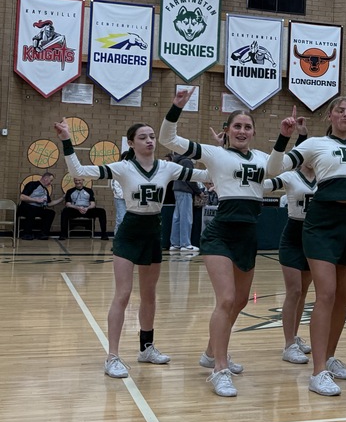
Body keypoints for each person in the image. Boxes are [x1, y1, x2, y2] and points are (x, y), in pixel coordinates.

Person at [56, 119, 208, 379]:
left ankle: (146, 348)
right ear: (131, 143)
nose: (150, 140)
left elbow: (206, 176)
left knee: (149, 296)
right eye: (143, 137)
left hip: (153, 232)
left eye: (152, 136)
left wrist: (220, 154)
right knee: (123, 294)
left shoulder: (168, 167)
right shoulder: (123, 168)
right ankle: (112, 356)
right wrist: (67, 139)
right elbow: (79, 169)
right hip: (129, 233)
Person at [267, 98, 346, 397]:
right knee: (327, 294)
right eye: (340, 110)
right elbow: (274, 168)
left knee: (344, 299)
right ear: (329, 115)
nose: (345, 114)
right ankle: (318, 370)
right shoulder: (315, 145)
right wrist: (284, 136)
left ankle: (330, 357)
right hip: (322, 223)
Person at [160, 87, 271, 397]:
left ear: (253, 132)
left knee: (238, 302)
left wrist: (294, 136)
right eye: (237, 126)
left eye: (247, 126)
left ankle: (212, 351)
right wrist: (176, 107)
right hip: (220, 233)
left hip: (248, 235)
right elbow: (169, 139)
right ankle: (219, 369)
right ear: (227, 131)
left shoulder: (264, 158)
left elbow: (289, 168)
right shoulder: (214, 152)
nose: (242, 131)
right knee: (225, 299)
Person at [263, 114, 315, 366]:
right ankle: (287, 344)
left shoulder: (326, 177)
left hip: (315, 236)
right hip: (293, 234)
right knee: (293, 291)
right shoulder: (291, 176)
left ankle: (294, 336)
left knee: (304, 292)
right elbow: (265, 184)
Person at [168, 151, 200, 252]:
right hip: (185, 190)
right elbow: (191, 178)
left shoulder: (176, 161)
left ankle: (175, 243)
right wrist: (198, 191)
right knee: (186, 217)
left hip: (177, 189)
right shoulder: (186, 161)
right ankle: (185, 244)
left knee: (177, 217)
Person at [18, 171, 58, 239]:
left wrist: (62, 198)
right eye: (50, 181)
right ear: (45, 178)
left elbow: (49, 204)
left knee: (50, 213)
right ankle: (26, 233)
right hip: (26, 207)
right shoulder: (32, 184)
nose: (50, 183)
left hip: (38, 208)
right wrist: (36, 200)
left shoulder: (45, 190)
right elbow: (22, 197)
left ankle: (43, 234)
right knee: (32, 210)